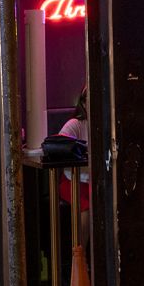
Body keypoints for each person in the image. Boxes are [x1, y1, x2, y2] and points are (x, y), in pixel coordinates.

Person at [58, 87, 89, 250]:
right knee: (86, 210)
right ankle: (79, 259)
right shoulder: (75, 124)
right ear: (84, 103)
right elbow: (60, 146)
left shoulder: (107, 125)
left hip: (94, 181)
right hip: (73, 181)